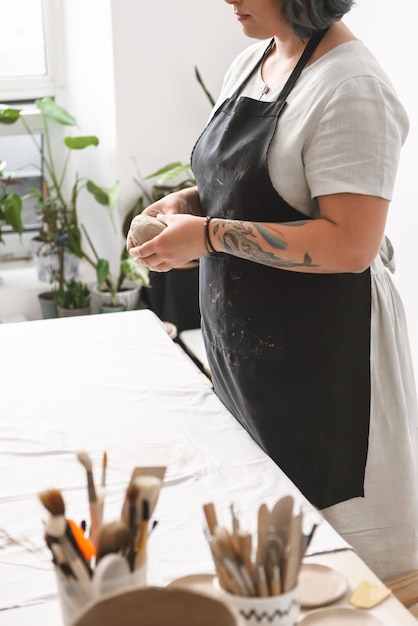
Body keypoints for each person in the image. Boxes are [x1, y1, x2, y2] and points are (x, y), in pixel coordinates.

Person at [127, 0, 418, 580]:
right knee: (266, 549)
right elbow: (238, 185)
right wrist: (185, 205)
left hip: (324, 361)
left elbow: (351, 244)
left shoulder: (351, 87)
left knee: (340, 575)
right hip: (253, 354)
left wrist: (208, 235)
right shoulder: (255, 59)